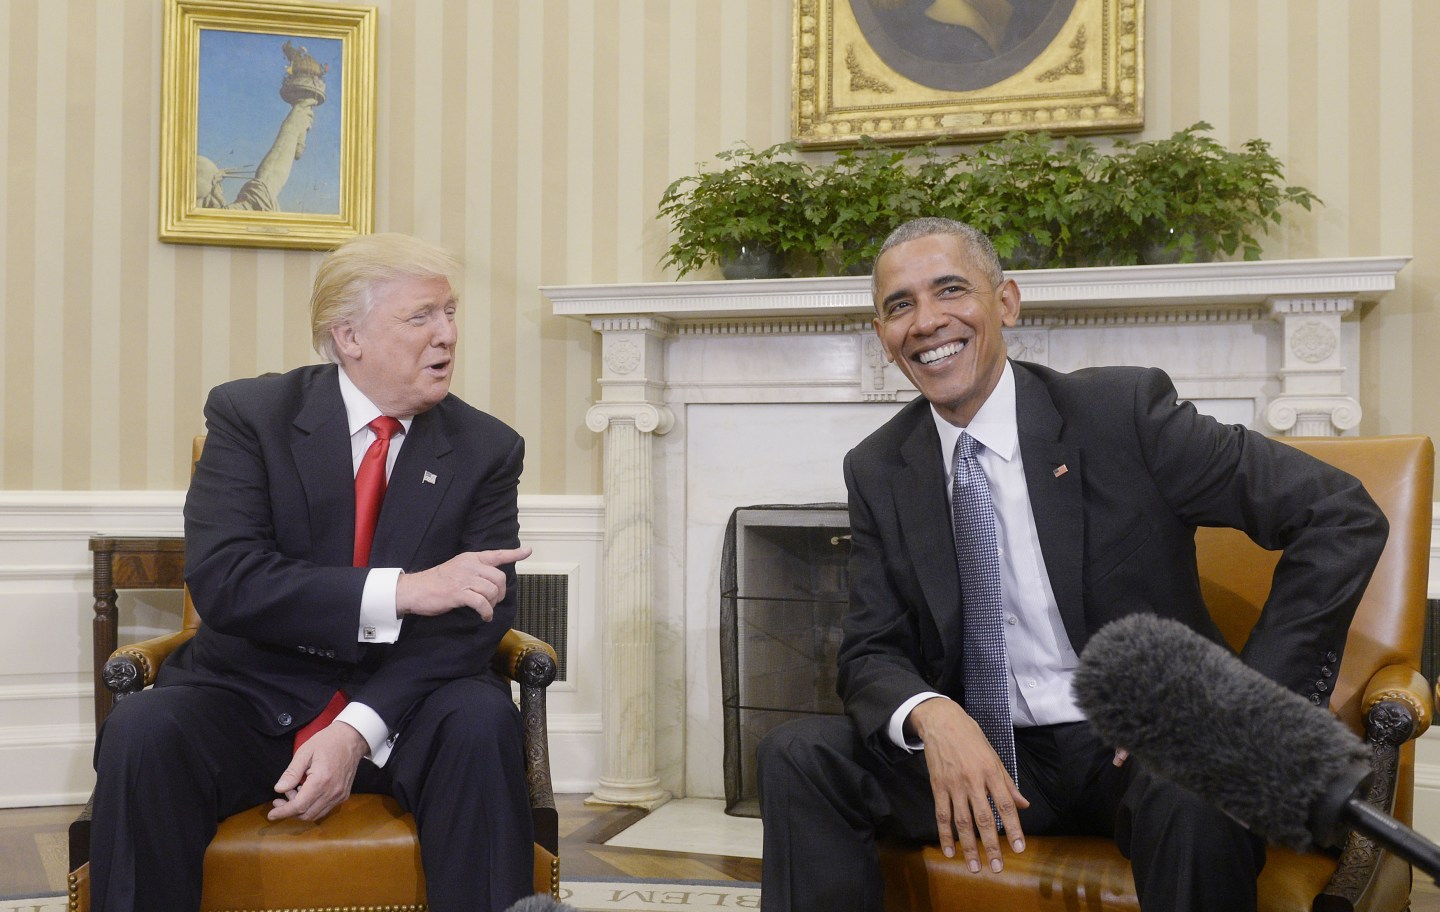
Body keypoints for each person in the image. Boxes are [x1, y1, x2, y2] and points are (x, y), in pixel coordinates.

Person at [757, 217, 1389, 911]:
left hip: (1140, 750)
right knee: (800, 755)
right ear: (881, 333)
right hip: (991, 762)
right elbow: (871, 650)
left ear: (1006, 303)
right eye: (899, 305)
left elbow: (1339, 514)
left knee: (1196, 784)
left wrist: (1236, 709)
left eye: (949, 291)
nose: (926, 321)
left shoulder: (1122, 414)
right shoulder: (880, 467)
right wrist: (936, 716)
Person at [89, 233, 534, 912]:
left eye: (451, 311)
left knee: (481, 720)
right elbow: (228, 581)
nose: (447, 334)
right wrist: (404, 590)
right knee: (144, 731)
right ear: (348, 337)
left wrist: (357, 728)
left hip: (404, 707)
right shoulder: (252, 418)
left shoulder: (486, 449)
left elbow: (475, 623)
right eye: (421, 317)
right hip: (251, 696)